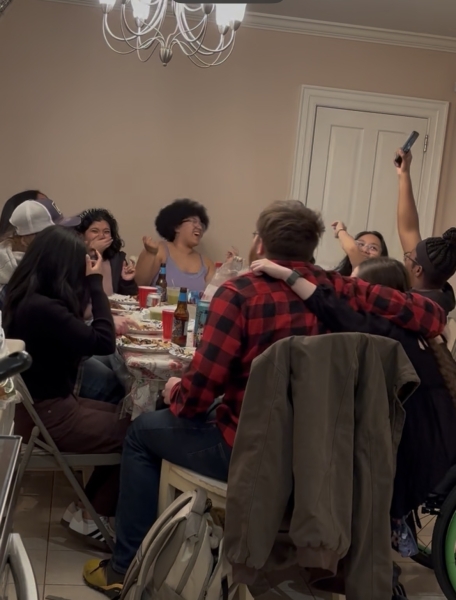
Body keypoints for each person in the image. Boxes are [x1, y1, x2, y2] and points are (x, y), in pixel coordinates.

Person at [82, 201, 445, 597]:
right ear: (312, 246)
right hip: (324, 460)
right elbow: (432, 316)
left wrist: (176, 393)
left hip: (249, 452)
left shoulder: (239, 294)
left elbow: (198, 396)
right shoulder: (335, 288)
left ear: (261, 244)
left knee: (141, 433)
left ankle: (125, 567)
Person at [251, 255, 456, 523]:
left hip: (411, 463)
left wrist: (285, 274)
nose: (349, 288)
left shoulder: (384, 331)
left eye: (355, 284)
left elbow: (332, 308)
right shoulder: (418, 328)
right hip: (436, 451)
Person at [4, 226, 130, 545]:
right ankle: (93, 516)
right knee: (137, 433)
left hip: (39, 409)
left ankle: (85, 511)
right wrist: (95, 283)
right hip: (50, 416)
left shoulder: (26, 297)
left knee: (128, 416)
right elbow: (103, 342)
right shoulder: (44, 309)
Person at [396, 149, 456, 314]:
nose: (405, 258)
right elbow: (409, 229)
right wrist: (404, 174)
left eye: (408, 257)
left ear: (418, 270)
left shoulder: (414, 310)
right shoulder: (440, 292)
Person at [0, 198, 81, 308]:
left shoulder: (51, 261)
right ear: (26, 240)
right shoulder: (8, 285)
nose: (62, 237)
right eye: (54, 233)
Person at [135, 199, 215, 293]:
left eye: (202, 224)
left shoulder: (207, 264)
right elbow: (138, 286)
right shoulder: (158, 250)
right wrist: (150, 253)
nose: (199, 227)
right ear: (177, 227)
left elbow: (213, 297)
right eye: (194, 222)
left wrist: (228, 268)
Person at [76, 208, 137, 297]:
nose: (102, 236)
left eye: (106, 232)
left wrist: (127, 281)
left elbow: (129, 298)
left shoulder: (117, 259)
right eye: (94, 231)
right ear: (82, 235)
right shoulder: (72, 258)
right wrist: (91, 254)